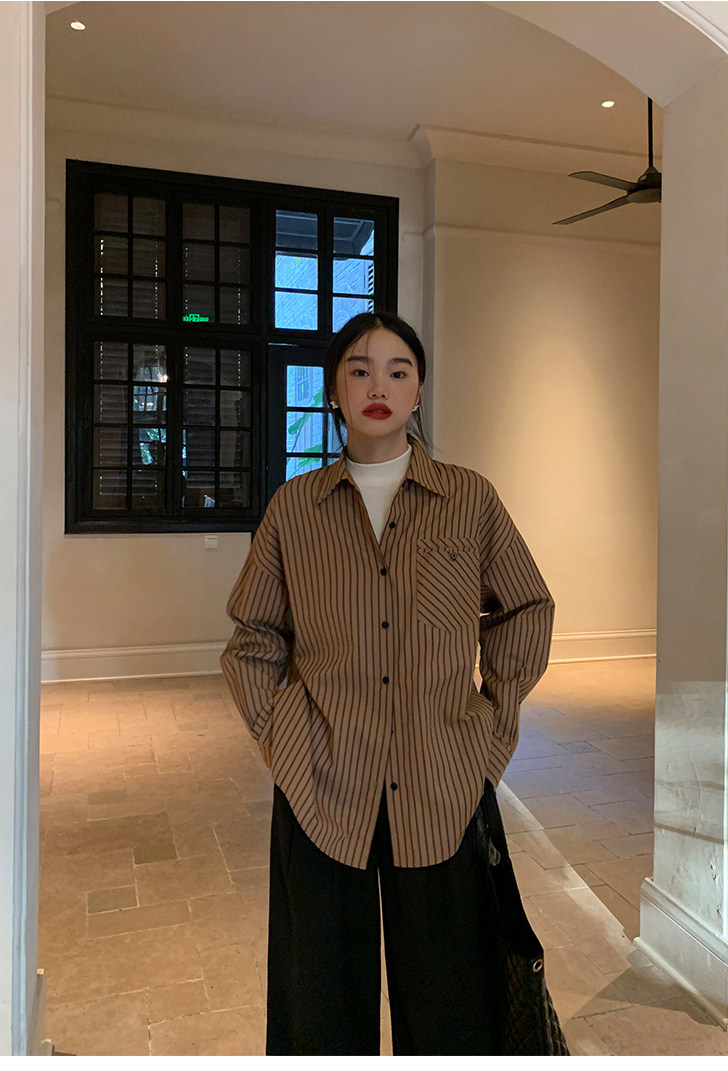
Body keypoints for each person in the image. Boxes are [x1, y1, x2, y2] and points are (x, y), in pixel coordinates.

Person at [221, 311, 555, 1056]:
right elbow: (253, 636)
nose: (380, 386)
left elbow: (525, 605)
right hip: (321, 777)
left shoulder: (469, 499)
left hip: (443, 775)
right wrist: (280, 733)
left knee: (451, 996)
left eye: (398, 370)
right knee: (317, 995)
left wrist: (493, 726)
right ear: (334, 391)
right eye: (360, 370)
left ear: (419, 389)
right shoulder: (293, 510)